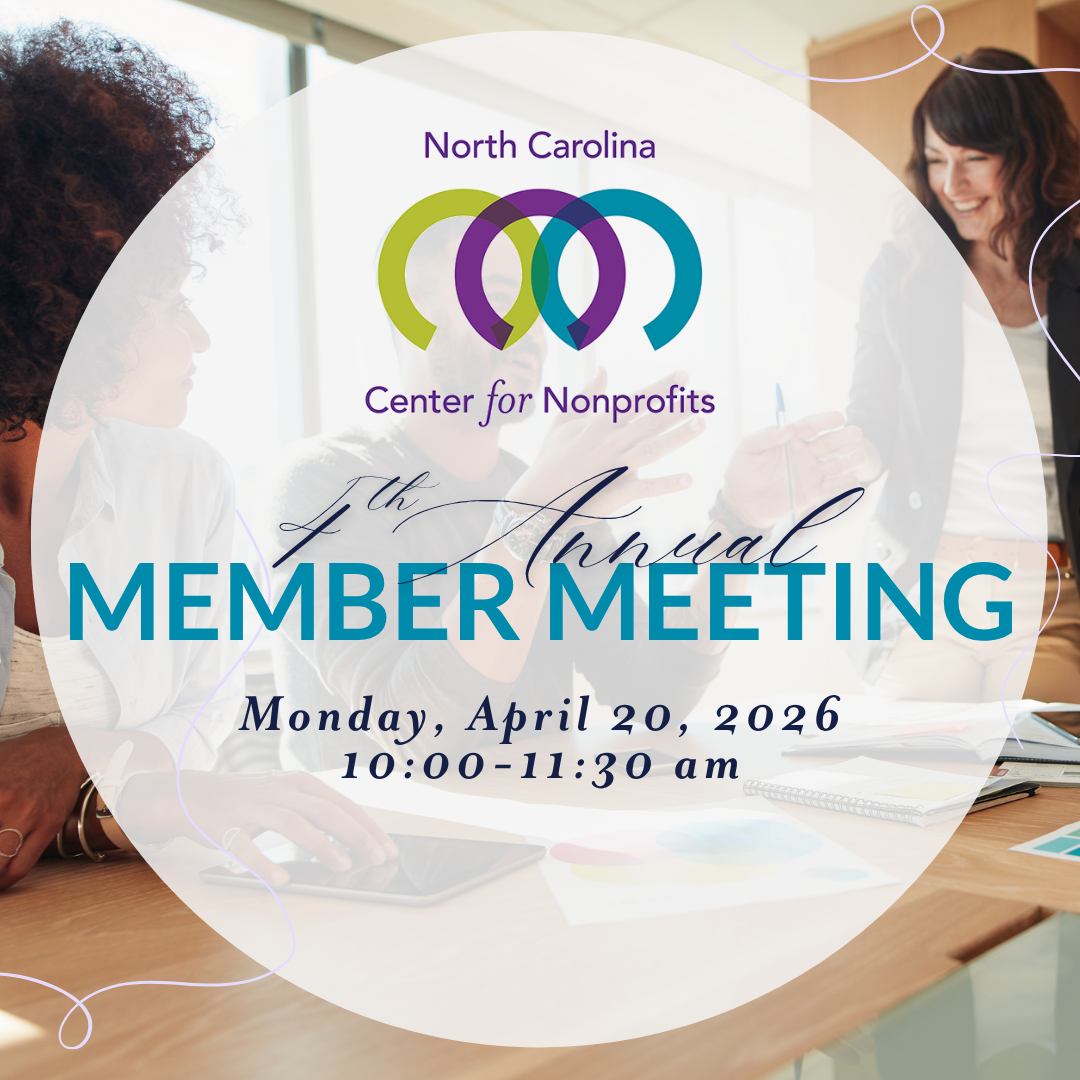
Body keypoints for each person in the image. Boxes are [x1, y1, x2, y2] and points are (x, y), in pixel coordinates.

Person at [0, 22, 395, 891]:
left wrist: (71, 756)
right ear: (62, 298)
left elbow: (202, 720)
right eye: (170, 300)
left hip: (124, 924)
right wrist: (120, 787)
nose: (200, 335)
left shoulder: (184, 482)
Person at [263, 218, 731, 774]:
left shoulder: (550, 493)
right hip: (382, 853)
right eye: (503, 297)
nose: (531, 331)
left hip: (541, 844)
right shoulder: (323, 485)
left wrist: (742, 524)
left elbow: (652, 697)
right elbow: (415, 731)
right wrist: (531, 521)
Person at [721, 48, 1079, 706]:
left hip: (1053, 594)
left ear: (1032, 155)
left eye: (975, 159)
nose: (953, 185)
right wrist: (852, 452)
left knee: (1033, 742)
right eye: (937, 160)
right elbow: (874, 419)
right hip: (931, 582)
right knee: (916, 752)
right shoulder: (904, 274)